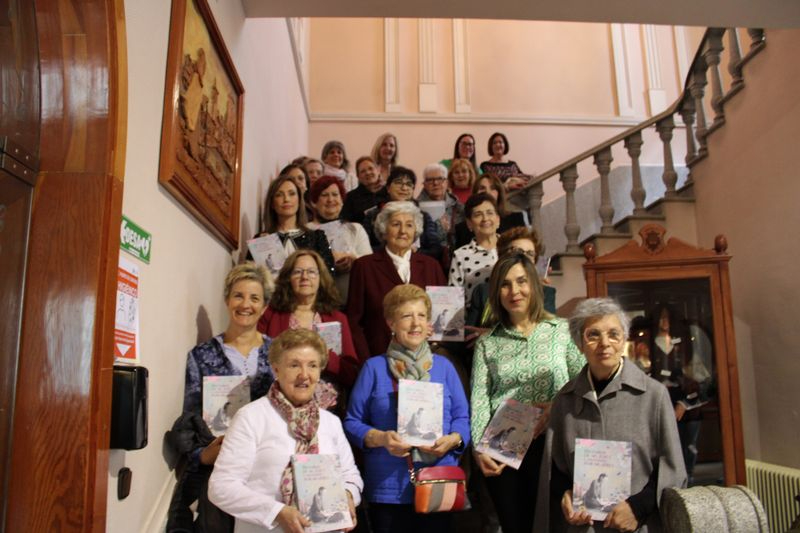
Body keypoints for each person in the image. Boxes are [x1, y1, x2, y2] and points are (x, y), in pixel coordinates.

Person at [538, 297, 687, 532]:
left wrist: (637, 508)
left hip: (637, 526)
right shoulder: (564, 401)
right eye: (593, 335)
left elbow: (672, 469)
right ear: (579, 344)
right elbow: (556, 469)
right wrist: (565, 494)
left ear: (624, 339)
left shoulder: (654, 396)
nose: (604, 343)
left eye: (613, 334)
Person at [471, 253, 584, 533]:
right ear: (497, 292)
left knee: (557, 524)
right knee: (516, 527)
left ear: (534, 285)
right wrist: (478, 448)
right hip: (504, 444)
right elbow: (480, 398)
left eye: (521, 281)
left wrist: (555, 406)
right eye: (505, 284)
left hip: (555, 442)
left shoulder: (562, 331)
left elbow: (583, 382)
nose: (514, 291)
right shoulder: (488, 343)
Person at [209, 329, 363, 533]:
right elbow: (221, 487)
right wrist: (277, 512)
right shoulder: (251, 417)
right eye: (294, 365)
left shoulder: (330, 422)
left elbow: (351, 476)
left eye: (313, 365)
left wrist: (348, 495)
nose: (304, 375)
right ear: (276, 369)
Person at [344, 284, 470, 533]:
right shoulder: (373, 368)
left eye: (421, 315)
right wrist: (380, 438)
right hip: (388, 487)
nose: (415, 323)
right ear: (390, 322)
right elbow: (351, 422)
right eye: (406, 316)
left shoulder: (444, 367)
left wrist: (454, 439)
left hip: (438, 481)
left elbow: (462, 417)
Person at [168, 263, 275, 533]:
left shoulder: (279, 353)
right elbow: (188, 418)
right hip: (220, 468)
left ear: (264, 307)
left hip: (268, 467)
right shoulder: (202, 355)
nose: (245, 304)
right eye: (238, 295)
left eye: (254, 298)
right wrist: (202, 455)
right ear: (227, 299)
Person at [347, 201, 446, 362]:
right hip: (379, 357)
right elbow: (354, 322)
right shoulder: (364, 266)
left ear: (416, 231)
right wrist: (366, 360)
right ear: (384, 231)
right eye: (395, 224)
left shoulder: (431, 266)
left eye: (409, 225)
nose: (403, 231)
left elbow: (443, 318)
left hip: (425, 359)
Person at [258, 250, 360, 393]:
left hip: (327, 407)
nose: (305, 277)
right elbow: (259, 362)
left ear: (321, 278)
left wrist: (328, 357)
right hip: (280, 399)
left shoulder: (337, 318)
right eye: (297, 272)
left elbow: (352, 374)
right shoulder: (271, 314)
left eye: (311, 272)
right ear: (288, 278)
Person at [466, 226, 556, 332]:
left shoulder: (545, 292)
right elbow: (469, 331)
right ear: (502, 255)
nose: (524, 257)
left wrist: (490, 334)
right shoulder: (482, 291)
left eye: (530, 254)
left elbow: (544, 330)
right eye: (518, 251)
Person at [307, 175, 372, 301]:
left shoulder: (355, 229)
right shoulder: (306, 230)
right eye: (324, 195)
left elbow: (368, 264)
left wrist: (352, 259)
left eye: (335, 194)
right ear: (314, 202)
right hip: (316, 300)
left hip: (352, 299)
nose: (330, 199)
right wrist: (328, 262)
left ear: (342, 200)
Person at [255, 174, 335, 275]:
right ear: (272, 203)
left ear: (299, 199)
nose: (286, 199)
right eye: (279, 195)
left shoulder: (317, 237)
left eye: (292, 194)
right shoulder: (260, 240)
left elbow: (328, 275)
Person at [362, 166, 444, 261]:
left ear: (413, 190)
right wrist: (393, 249)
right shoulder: (373, 215)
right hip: (382, 263)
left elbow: (436, 250)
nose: (404, 188)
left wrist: (413, 251)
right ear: (388, 188)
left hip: (416, 265)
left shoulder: (423, 217)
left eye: (409, 184)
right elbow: (364, 248)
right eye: (398, 182)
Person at [448, 193, 500, 310]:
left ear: (498, 219)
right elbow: (453, 298)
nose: (485, 219)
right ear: (469, 223)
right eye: (478, 215)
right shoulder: (460, 255)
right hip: (476, 322)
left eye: (490, 213)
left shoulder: (512, 246)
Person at [453, 174, 528, 250]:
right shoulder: (462, 228)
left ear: (499, 193)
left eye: (493, 188)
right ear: (475, 193)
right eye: (482, 188)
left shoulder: (516, 219)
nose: (487, 192)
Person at [417, 162, 464, 251]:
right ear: (424, 184)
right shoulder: (416, 208)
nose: (435, 183)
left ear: (447, 182)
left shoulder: (458, 206)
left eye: (439, 179)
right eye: (430, 180)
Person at [341, 156, 388, 226]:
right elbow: (345, 223)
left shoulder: (389, 192)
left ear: (378, 171)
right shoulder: (350, 197)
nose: (368, 173)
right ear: (358, 177)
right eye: (363, 171)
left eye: (371, 168)